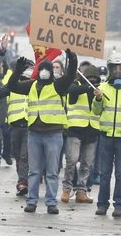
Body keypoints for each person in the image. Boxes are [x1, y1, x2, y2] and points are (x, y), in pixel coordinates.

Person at [8, 49, 78, 214]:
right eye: (42, 69)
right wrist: (18, 70)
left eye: (47, 69)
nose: (44, 72)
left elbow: (69, 76)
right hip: (34, 134)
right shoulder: (31, 85)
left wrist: (72, 59)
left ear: (52, 72)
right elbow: (12, 86)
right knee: (34, 171)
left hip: (53, 134)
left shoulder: (58, 85)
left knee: (52, 172)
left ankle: (51, 202)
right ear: (38, 72)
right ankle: (31, 201)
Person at [92, 50, 121, 217]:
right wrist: (97, 99)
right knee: (104, 174)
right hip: (105, 137)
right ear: (109, 69)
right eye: (115, 68)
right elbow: (96, 111)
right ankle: (102, 204)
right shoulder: (101, 88)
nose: (118, 71)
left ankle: (119, 205)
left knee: (120, 174)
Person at [61, 65, 100, 204]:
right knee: (71, 160)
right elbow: (72, 91)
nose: (92, 81)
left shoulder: (99, 90)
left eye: (95, 78)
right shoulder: (75, 85)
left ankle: (81, 191)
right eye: (89, 78)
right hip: (75, 128)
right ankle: (66, 189)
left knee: (87, 164)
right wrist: (89, 87)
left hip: (92, 130)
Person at [7, 66, 31, 196]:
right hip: (15, 125)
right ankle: (21, 179)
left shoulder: (33, 88)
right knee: (17, 155)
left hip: (28, 125)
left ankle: (23, 182)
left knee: (24, 155)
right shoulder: (13, 88)